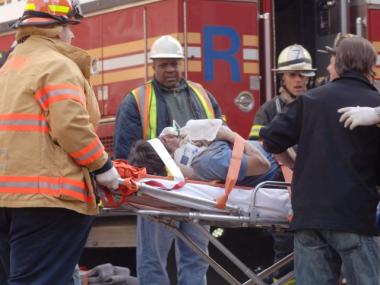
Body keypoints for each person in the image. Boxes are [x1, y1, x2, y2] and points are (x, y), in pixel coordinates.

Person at [0, 1, 120, 284]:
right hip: (48, 198)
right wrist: (103, 167)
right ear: (55, 29)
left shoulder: (8, 69)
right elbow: (70, 126)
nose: (73, 36)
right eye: (70, 27)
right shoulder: (56, 65)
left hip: (7, 198)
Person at [260, 36, 380, 285]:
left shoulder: (311, 100)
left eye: (331, 61)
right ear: (369, 66)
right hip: (354, 217)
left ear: (342, 64)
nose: (327, 67)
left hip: (310, 219)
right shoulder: (375, 105)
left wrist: (291, 162)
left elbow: (271, 138)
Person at [114, 35, 222, 285]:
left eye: (174, 63)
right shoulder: (136, 100)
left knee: (196, 258)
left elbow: (220, 135)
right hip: (158, 192)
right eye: (164, 65)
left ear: (181, 63)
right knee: (153, 260)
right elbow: (124, 152)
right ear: (153, 66)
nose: (170, 69)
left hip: (197, 188)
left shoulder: (202, 95)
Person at [129, 123, 280, 187]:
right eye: (165, 140)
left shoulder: (202, 158)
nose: (170, 134)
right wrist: (229, 135)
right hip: (284, 168)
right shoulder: (209, 162)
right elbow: (263, 164)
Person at [248, 44, 316, 140]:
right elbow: (256, 145)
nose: (298, 80)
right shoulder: (268, 110)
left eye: (302, 75)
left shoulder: (315, 107)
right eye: (292, 75)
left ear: (308, 79)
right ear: (283, 79)